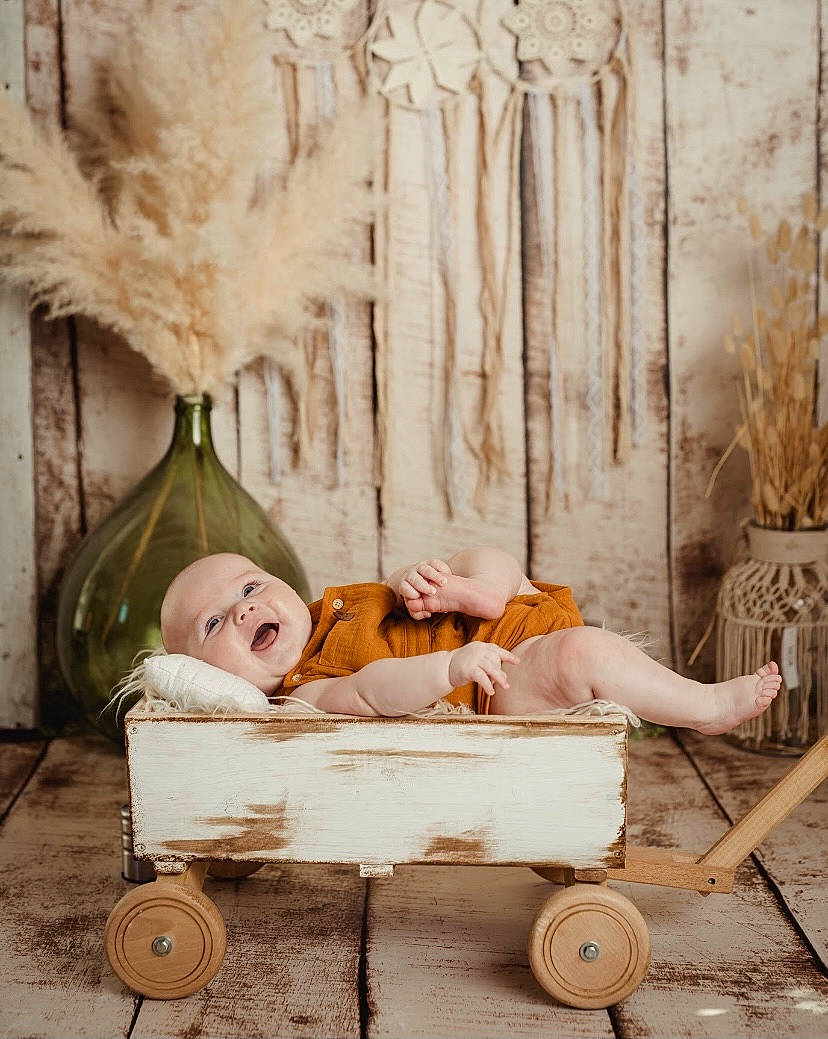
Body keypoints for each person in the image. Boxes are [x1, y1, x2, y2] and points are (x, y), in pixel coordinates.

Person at [159, 546, 782, 735]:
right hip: (494, 679)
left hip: (502, 613)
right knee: (583, 652)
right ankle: (704, 708)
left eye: (249, 590)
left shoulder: (335, 606)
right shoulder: (305, 692)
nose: (243, 613)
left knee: (480, 554)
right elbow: (375, 691)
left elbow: (392, 597)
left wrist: (416, 582)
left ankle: (480, 586)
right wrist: (451, 665)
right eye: (213, 625)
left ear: (285, 588)